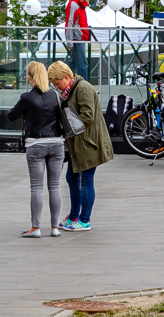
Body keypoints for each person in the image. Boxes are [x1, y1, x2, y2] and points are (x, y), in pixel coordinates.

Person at [49, 61, 113, 231]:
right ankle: (73, 216)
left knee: (86, 180)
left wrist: (66, 126)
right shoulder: (72, 89)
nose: (57, 88)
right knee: (71, 178)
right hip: (79, 143)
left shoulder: (83, 88)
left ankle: (84, 219)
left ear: (66, 77)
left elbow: (88, 116)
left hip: (89, 143)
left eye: (57, 83)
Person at [6, 61, 64, 238]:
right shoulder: (56, 95)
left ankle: (36, 228)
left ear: (30, 78)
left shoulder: (27, 98)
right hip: (56, 143)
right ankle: (55, 227)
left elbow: (10, 116)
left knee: (36, 187)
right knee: (55, 186)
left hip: (36, 144)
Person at [64, 0, 91, 79]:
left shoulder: (77, 5)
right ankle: (84, 85)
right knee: (82, 63)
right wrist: (70, 41)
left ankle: (59, 77)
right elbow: (69, 22)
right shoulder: (74, 5)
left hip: (78, 36)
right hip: (78, 37)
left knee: (75, 62)